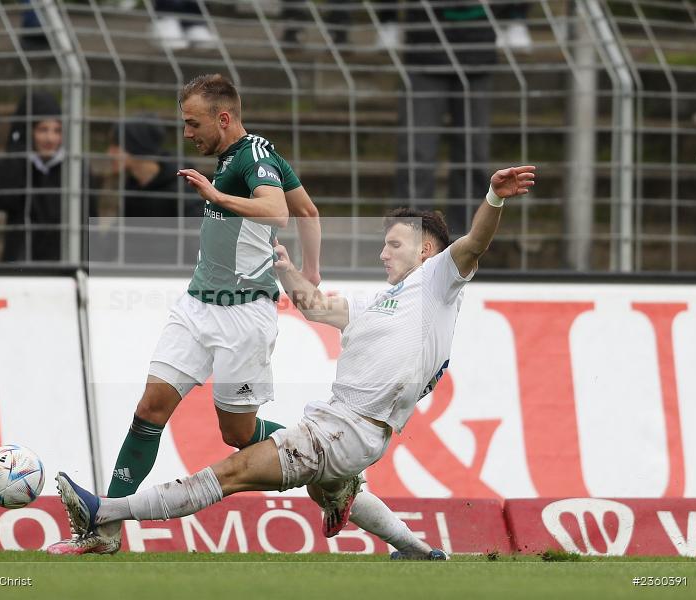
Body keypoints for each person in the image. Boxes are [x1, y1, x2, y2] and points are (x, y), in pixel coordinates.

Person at [47, 165, 537, 558]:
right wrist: (285, 269)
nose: (382, 251)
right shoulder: (377, 304)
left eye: (393, 242)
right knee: (326, 484)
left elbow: (475, 242)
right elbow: (315, 305)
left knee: (229, 474)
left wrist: (493, 198)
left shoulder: (438, 283)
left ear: (427, 248)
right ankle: (417, 549)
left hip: (349, 431)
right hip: (337, 423)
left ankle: (103, 511)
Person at [48, 73, 321, 554]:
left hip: (243, 315)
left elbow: (279, 212)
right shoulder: (245, 155)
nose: (187, 133)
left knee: (237, 434)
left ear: (223, 117)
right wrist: (312, 271)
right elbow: (309, 212)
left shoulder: (254, 156)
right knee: (149, 409)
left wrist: (216, 197)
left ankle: (327, 455)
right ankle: (105, 528)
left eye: (194, 124)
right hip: (197, 306)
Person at [395, 2, 498, 236]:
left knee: (473, 156)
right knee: (416, 156)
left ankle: (468, 244)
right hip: (424, 49)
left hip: (477, 51)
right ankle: (412, 242)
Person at [0, 90, 99, 262]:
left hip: (65, 261)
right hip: (22, 260)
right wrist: (18, 151)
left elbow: (90, 219)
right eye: (42, 129)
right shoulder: (15, 163)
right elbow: (0, 199)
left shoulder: (76, 168)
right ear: (28, 130)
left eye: (57, 130)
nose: (50, 138)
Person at [106, 114, 199, 264]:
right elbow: (111, 245)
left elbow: (199, 246)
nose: (109, 154)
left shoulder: (182, 189)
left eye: (116, 146)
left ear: (135, 146)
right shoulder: (131, 187)